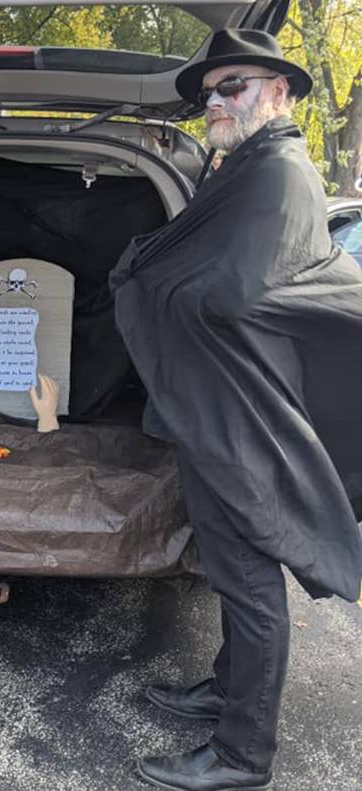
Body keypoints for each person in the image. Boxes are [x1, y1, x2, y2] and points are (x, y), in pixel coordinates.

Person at [110, 29, 362, 791]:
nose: (218, 101)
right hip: (217, 405)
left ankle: (243, 753)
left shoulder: (278, 173)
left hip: (247, 413)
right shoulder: (240, 165)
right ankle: (227, 685)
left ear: (278, 92)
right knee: (228, 567)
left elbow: (239, 291)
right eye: (212, 91)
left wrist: (150, 278)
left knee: (251, 582)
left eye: (236, 86)